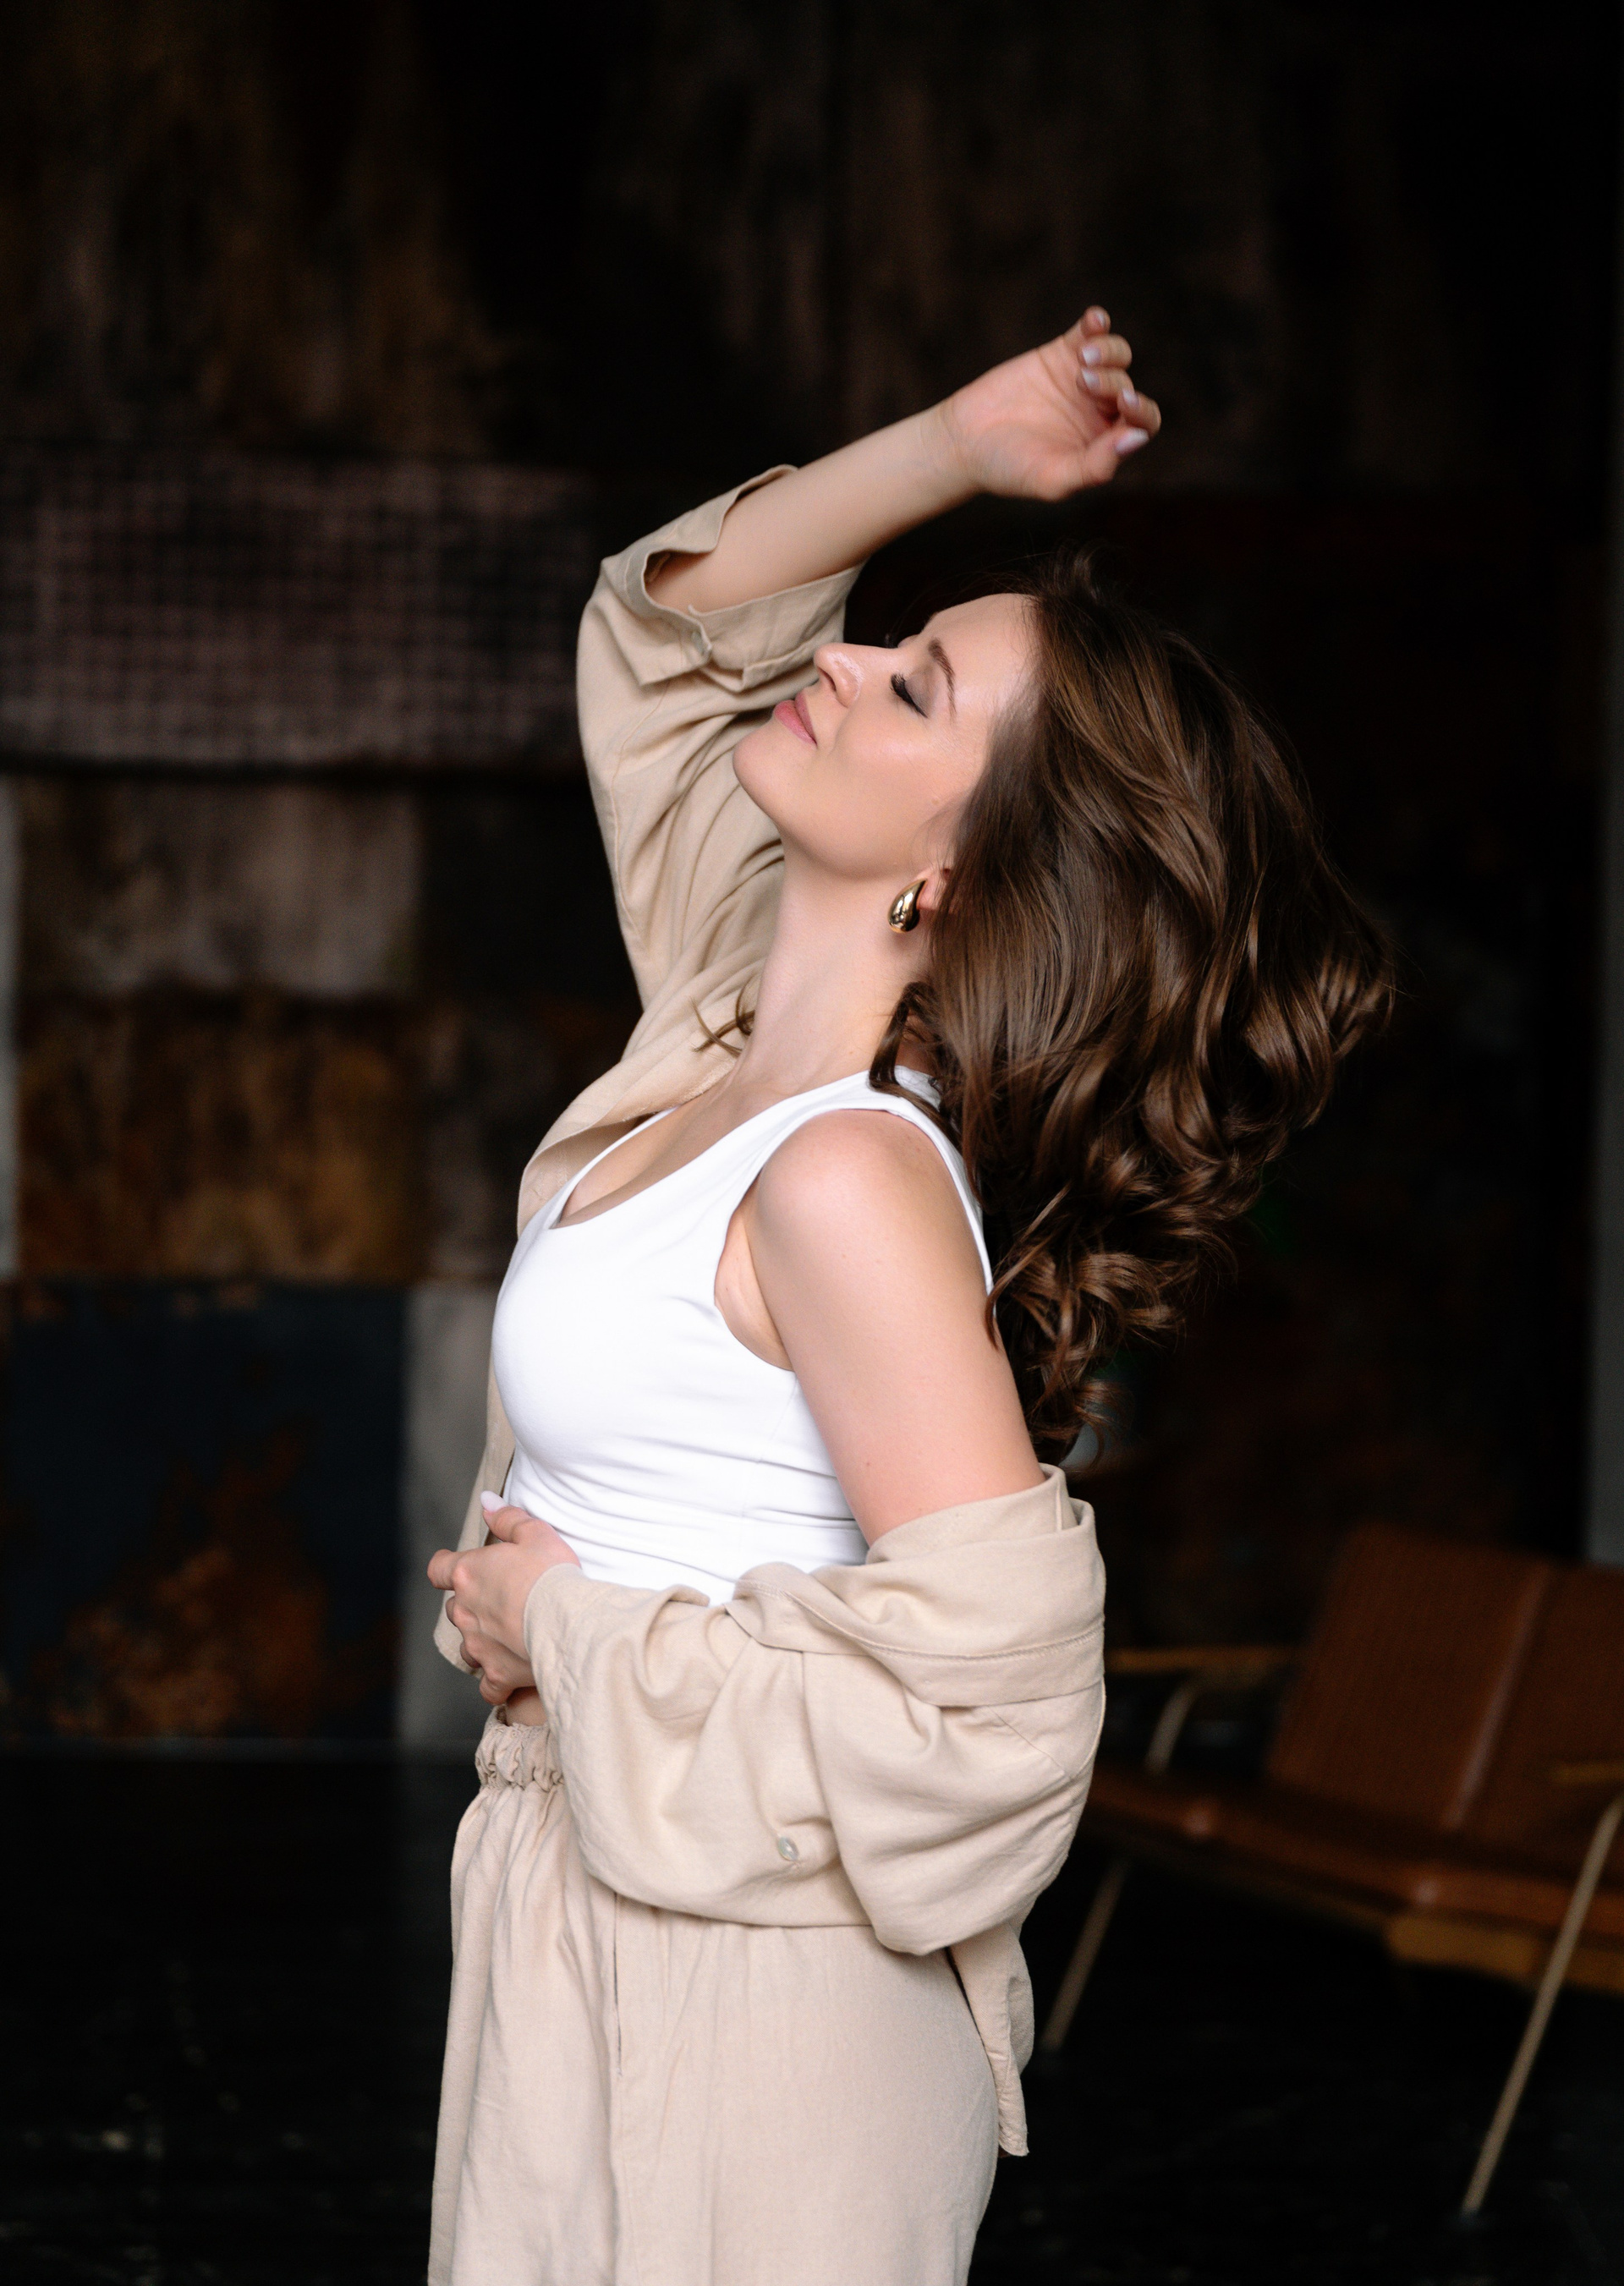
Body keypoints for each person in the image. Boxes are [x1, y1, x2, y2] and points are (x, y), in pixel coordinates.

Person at [425, 309, 1391, 2286]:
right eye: (890, 640)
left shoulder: (848, 1177)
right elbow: (675, 625)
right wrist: (964, 441)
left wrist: (567, 1631)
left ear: (958, 869)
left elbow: (997, 1721)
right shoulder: (716, 1039)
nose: (843, 661)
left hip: (755, 2018)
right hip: (592, 1923)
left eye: (913, 683)